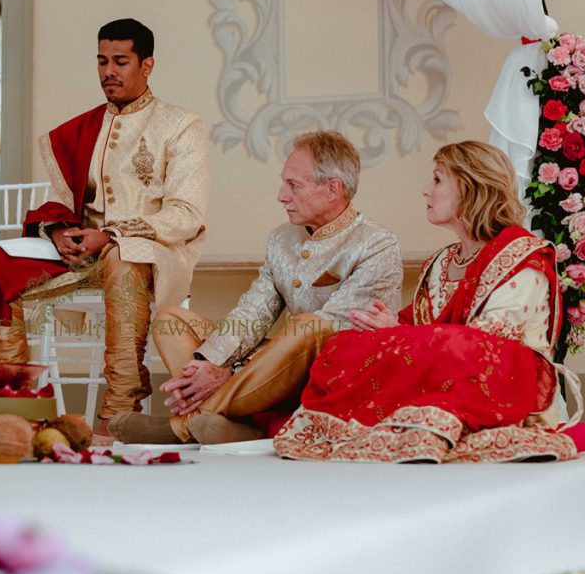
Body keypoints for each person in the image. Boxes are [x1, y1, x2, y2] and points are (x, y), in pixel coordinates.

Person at [0, 18, 209, 436]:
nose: (108, 72)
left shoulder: (181, 125)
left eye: (120, 61)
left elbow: (186, 214)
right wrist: (60, 232)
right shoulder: (84, 129)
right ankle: (13, 414)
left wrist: (113, 235)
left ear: (147, 65)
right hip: (87, 249)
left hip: (152, 250)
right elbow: (66, 204)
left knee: (123, 255)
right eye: (101, 61)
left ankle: (117, 417)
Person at [273, 141, 579, 462]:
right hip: (441, 369)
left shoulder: (520, 253)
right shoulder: (441, 262)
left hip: (499, 378)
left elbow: (488, 343)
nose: (425, 191)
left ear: (469, 186)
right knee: (344, 344)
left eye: (436, 179)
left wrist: (404, 335)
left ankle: (428, 423)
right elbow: (416, 328)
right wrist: (388, 329)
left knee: (460, 349)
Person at [109, 130, 404, 445]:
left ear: (332, 189)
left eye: (293, 185)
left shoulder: (377, 245)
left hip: (329, 376)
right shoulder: (282, 239)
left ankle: (182, 426)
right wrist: (210, 363)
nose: (281, 195)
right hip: (269, 371)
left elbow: (332, 334)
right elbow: (255, 311)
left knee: (308, 327)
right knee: (170, 320)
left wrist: (230, 372)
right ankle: (234, 428)